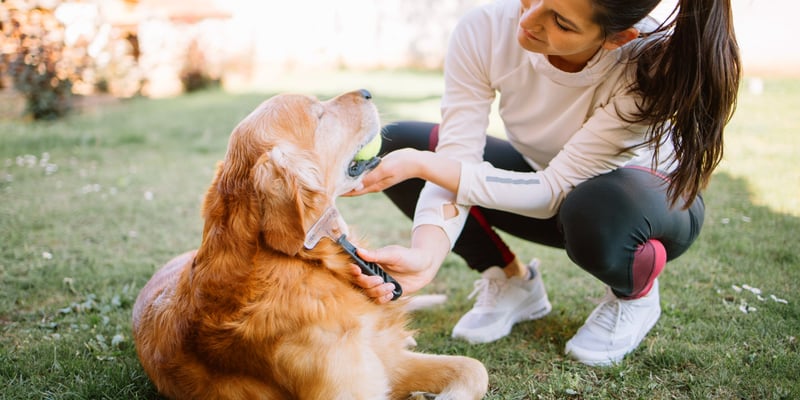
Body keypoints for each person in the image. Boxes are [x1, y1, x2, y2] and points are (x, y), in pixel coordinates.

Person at [345, 0, 740, 366]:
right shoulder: (485, 28)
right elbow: (456, 156)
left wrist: (424, 166)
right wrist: (426, 256)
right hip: (553, 186)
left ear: (617, 38)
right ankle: (512, 282)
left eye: (562, 22)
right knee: (408, 145)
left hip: (643, 207)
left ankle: (634, 295)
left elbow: (555, 190)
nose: (529, 20)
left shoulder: (645, 67)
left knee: (592, 207)